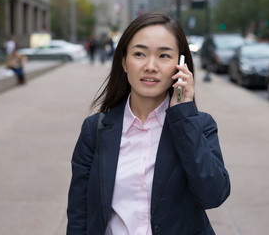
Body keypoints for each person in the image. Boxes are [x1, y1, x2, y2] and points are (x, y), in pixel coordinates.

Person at [67, 12, 230, 235]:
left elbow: (213, 195)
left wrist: (183, 115)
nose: (151, 66)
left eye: (164, 56)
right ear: (124, 62)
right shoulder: (94, 130)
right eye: (140, 54)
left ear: (180, 65)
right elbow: (79, 214)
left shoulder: (199, 125)